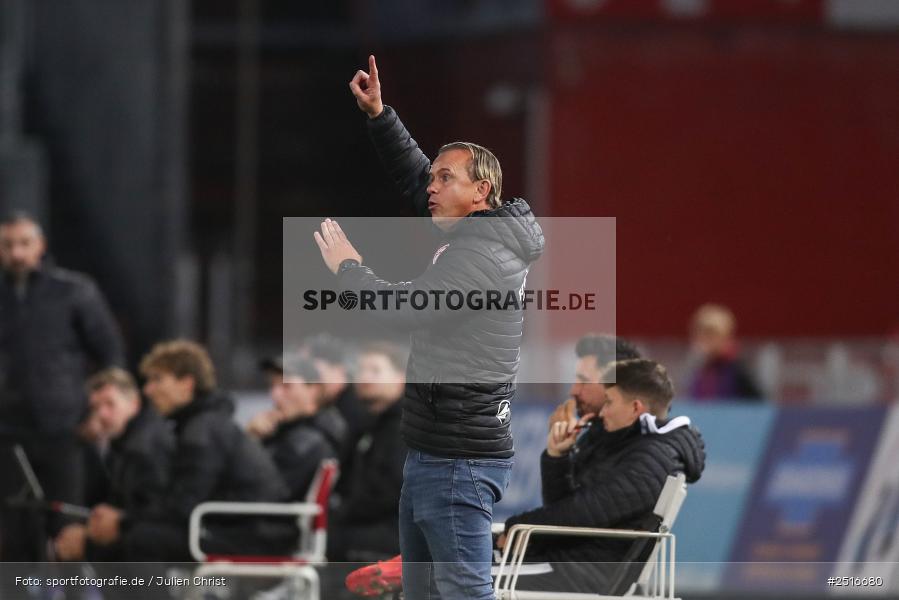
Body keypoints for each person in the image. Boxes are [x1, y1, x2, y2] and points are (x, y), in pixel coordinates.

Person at [314, 55, 544, 599]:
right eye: (436, 177)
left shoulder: (482, 256)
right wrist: (379, 116)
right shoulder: (477, 235)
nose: (433, 187)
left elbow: (403, 309)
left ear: (481, 193)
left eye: (447, 178)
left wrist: (349, 269)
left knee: (464, 592)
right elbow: (418, 176)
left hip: (457, 461)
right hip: (435, 455)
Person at [500, 359, 706, 594]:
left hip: (580, 575)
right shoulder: (633, 447)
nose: (603, 411)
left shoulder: (653, 459)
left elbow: (585, 512)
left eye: (609, 402)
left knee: (466, 579)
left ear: (636, 408)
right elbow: (568, 508)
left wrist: (517, 527)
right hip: (567, 564)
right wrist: (558, 456)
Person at [85, 340, 295, 561]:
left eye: (158, 380)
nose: (148, 390)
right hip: (246, 530)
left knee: (139, 540)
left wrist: (122, 521)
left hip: (252, 538)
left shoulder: (202, 429)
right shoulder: (200, 424)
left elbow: (183, 506)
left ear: (186, 383)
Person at [0, 210, 125, 561]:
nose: (17, 252)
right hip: (8, 436)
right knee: (15, 535)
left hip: (66, 433)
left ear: (41, 245)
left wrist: (100, 413)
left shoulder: (74, 292)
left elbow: (111, 354)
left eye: (24, 243)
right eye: (8, 244)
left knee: (69, 531)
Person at [53, 368, 174, 562]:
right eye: (95, 407)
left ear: (134, 403)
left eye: (110, 404)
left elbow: (155, 512)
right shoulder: (119, 445)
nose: (102, 414)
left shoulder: (145, 446)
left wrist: (89, 541)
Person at [328, 343, 407, 563]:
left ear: (400, 377)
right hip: (366, 524)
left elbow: (391, 490)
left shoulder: (408, 426)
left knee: (329, 541)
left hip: (398, 533)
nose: (364, 377)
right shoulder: (367, 424)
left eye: (375, 370)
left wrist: (344, 513)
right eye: (361, 370)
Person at [250, 355, 347, 500]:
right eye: (272, 385)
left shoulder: (309, 440)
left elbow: (264, 493)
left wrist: (249, 441)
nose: (274, 395)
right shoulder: (288, 430)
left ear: (313, 389)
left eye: (286, 386)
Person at [686, 303, 762, 401]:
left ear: (725, 336)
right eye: (700, 335)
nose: (704, 341)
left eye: (710, 335)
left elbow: (759, 405)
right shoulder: (699, 369)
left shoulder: (739, 369)